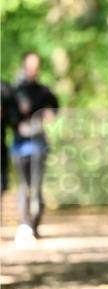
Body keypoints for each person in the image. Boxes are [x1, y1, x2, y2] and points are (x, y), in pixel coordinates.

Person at [10, 53, 58, 245]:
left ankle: (34, 226)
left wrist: (47, 114)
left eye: (36, 65)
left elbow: (55, 107)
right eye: (30, 65)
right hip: (19, 143)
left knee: (36, 187)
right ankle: (25, 224)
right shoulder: (14, 90)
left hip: (38, 142)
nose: (33, 69)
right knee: (24, 186)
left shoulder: (43, 91)